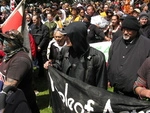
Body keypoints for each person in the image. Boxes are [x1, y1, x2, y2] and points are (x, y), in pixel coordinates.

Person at [55, 22, 108, 89]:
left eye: (69, 36)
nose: (65, 38)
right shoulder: (65, 51)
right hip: (68, 95)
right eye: (65, 36)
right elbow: (58, 66)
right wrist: (51, 66)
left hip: (86, 97)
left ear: (78, 36)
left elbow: (101, 85)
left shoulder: (97, 56)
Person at [107, 15, 150, 97]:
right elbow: (110, 60)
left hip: (135, 94)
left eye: (129, 30)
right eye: (124, 29)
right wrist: (109, 77)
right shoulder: (117, 42)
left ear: (136, 30)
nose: (126, 32)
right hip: (116, 90)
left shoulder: (147, 45)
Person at [0, 30, 40, 113]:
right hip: (11, 103)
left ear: (16, 43)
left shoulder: (20, 60)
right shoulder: (8, 56)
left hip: (21, 105)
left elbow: (8, 88)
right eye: (3, 39)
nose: (3, 42)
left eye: (7, 40)